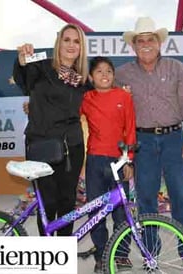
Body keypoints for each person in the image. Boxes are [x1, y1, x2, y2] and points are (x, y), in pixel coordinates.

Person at [116, 17, 183, 244]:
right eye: (140, 40)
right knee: (145, 201)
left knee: (181, 199)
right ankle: (151, 256)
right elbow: (111, 109)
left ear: (158, 42)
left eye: (150, 39)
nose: (145, 44)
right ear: (133, 45)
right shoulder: (121, 74)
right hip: (141, 142)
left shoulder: (177, 68)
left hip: (174, 140)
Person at [13, 23, 88, 236]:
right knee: (48, 202)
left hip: (72, 147)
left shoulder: (83, 79)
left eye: (76, 41)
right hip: (41, 145)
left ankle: (62, 256)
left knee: (66, 203)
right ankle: (47, 253)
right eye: (67, 40)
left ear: (81, 47)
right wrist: (21, 59)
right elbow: (23, 76)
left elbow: (104, 95)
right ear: (58, 42)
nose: (71, 45)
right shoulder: (42, 64)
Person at [80, 56, 136, 272]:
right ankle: (102, 255)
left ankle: (121, 255)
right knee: (96, 211)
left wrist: (129, 160)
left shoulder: (124, 96)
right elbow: (66, 116)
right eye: (99, 71)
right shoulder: (86, 98)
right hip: (95, 160)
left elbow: (130, 130)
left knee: (121, 211)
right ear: (91, 77)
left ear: (114, 75)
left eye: (108, 71)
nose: (104, 75)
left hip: (119, 161)